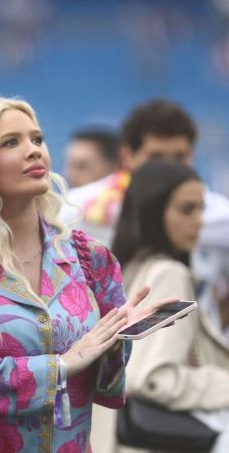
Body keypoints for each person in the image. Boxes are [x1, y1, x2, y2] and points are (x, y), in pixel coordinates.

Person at [0, 97, 174, 452]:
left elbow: (106, 385)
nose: (34, 151)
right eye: (11, 142)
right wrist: (60, 365)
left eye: (38, 139)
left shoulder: (89, 257)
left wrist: (119, 338)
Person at [59, 99, 229, 340]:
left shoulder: (218, 215)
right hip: (110, 345)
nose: (168, 169)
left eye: (179, 156)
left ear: (192, 156)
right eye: (156, 157)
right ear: (128, 156)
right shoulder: (77, 208)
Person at [112, 160, 229, 453]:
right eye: (187, 210)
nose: (199, 220)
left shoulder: (128, 269)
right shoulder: (167, 274)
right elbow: (151, 378)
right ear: (153, 212)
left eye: (201, 208)